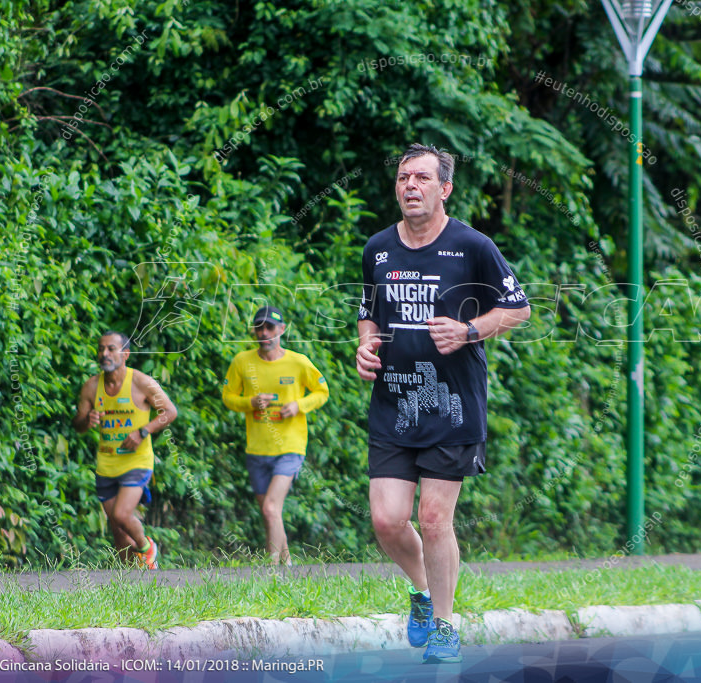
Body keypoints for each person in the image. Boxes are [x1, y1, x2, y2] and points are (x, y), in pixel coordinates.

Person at [356, 143, 531, 663]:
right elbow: (369, 311)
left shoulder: (471, 246)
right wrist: (364, 345)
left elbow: (518, 309)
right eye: (404, 177)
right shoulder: (379, 249)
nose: (410, 186)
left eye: (422, 178)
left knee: (434, 518)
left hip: (454, 405)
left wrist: (471, 329)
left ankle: (447, 626)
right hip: (394, 403)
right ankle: (424, 594)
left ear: (444, 188)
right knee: (388, 521)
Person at [223, 305, 330, 565]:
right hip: (257, 447)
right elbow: (227, 397)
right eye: (259, 327)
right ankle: (287, 563)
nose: (264, 333)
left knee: (271, 507)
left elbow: (322, 391)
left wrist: (298, 406)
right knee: (270, 511)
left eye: (270, 327)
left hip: (290, 446)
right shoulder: (242, 361)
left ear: (282, 330)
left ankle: (271, 569)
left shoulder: (298, 362)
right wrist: (250, 402)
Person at [73, 331, 178, 569]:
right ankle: (132, 580)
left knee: (121, 515)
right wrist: (86, 420)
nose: (104, 354)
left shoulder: (142, 382)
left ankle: (146, 547)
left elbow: (170, 412)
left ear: (126, 354)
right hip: (107, 464)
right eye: (101, 349)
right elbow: (77, 424)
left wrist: (143, 432)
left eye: (111, 349)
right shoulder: (91, 387)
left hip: (136, 461)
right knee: (117, 529)